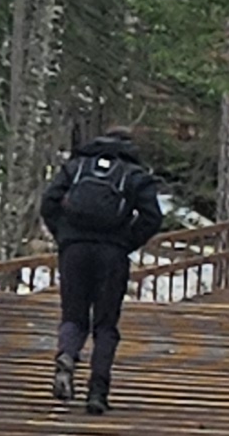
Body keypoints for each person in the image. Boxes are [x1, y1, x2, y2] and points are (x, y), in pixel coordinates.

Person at [39, 125, 165, 412]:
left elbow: (48, 202)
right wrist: (126, 242)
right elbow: (152, 217)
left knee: (73, 315)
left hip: (75, 250)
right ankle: (97, 392)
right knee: (106, 324)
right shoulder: (135, 175)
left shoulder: (77, 166)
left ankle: (67, 356)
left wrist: (65, 235)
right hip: (112, 254)